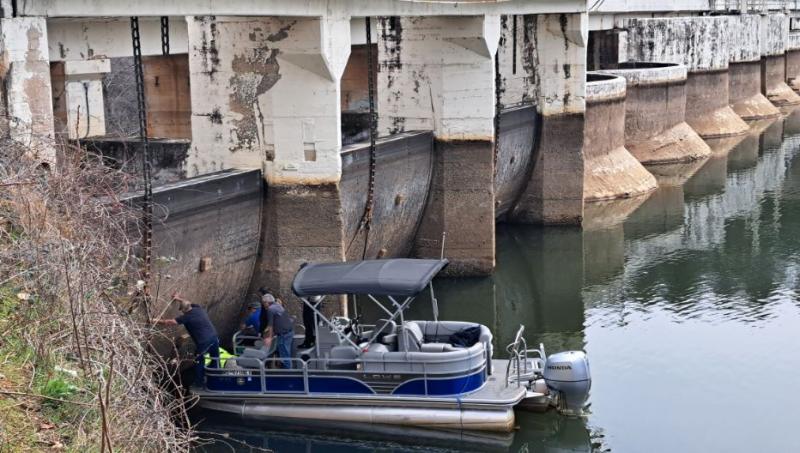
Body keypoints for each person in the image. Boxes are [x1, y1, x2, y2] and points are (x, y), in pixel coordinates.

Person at [152, 292, 220, 384]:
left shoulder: (187, 317)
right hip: (214, 337)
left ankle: (199, 382)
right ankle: (215, 376)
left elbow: (170, 322)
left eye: (181, 310)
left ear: (183, 310)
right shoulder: (198, 308)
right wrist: (178, 298)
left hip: (203, 342)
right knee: (215, 357)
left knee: (199, 361)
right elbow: (188, 302)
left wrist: (155, 320)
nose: (181, 312)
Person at [261, 293, 294, 369]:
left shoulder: (270, 309)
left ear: (267, 302)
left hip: (283, 335)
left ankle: (288, 374)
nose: (263, 305)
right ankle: (287, 368)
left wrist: (269, 338)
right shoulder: (278, 305)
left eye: (263, 303)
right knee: (286, 353)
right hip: (290, 332)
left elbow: (270, 325)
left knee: (285, 355)